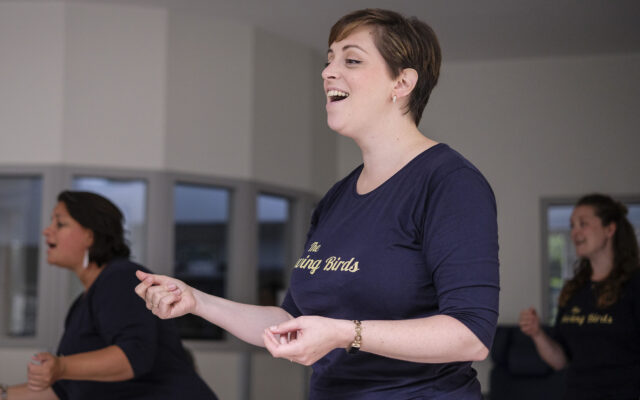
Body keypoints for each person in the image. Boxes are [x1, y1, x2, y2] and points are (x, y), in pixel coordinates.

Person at [136, 8, 499, 399]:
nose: (328, 72)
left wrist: (344, 333)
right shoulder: (338, 198)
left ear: (402, 82)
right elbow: (292, 320)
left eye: (352, 60)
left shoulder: (449, 182)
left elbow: (469, 335)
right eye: (329, 60)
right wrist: (196, 301)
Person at [0, 191, 216, 400]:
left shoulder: (122, 277)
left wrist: (61, 367)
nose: (46, 231)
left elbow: (133, 357)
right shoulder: (82, 303)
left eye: (60, 223)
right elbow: (64, 389)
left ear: (89, 236)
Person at [519, 194, 640, 399]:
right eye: (572, 225)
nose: (575, 233)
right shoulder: (574, 290)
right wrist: (537, 333)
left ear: (610, 229)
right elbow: (559, 361)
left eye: (583, 224)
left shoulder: (635, 285)